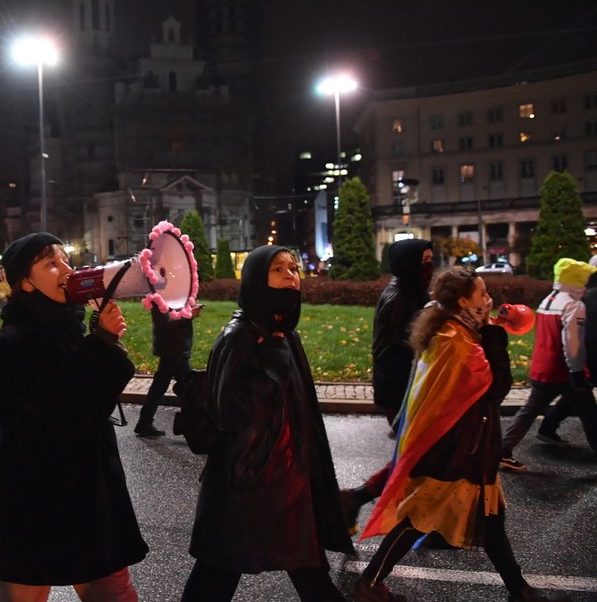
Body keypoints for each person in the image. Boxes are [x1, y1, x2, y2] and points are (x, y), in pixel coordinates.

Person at [354, 267, 568, 602]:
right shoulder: (454, 340)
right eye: (482, 293)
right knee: (417, 519)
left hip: (468, 447)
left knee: (491, 521)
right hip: (454, 451)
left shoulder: (457, 329)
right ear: (464, 301)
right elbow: (495, 388)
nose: (489, 299)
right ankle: (368, 583)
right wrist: (494, 337)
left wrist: (487, 330)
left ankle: (519, 589)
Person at [181, 245, 353, 602]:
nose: (291, 276)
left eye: (294, 269)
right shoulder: (239, 336)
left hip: (287, 481)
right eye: (279, 270)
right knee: (216, 575)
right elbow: (227, 411)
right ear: (258, 280)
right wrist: (272, 363)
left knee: (310, 574)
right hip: (248, 485)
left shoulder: (285, 335)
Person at [0, 233, 148, 602]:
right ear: (25, 283)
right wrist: (102, 344)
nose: (66, 270)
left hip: (85, 498)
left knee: (112, 592)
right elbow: (70, 414)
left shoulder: (66, 326)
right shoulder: (15, 342)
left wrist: (101, 341)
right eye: (50, 263)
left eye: (65, 259)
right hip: (37, 501)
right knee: (24, 590)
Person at [340, 239, 432, 531]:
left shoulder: (414, 292)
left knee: (419, 456)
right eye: (424, 261)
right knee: (417, 457)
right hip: (401, 392)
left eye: (431, 259)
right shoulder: (398, 299)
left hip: (412, 389)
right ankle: (363, 500)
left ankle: (417, 517)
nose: (429, 266)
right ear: (408, 264)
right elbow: (392, 349)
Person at [500, 258, 597, 471]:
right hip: (564, 372)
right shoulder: (573, 305)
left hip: (543, 368)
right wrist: (577, 373)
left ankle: (503, 449)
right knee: (590, 413)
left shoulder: (548, 301)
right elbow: (573, 344)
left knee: (528, 411)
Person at [135, 303, 202, 437]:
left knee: (159, 387)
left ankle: (144, 422)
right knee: (190, 390)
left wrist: (190, 308)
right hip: (173, 349)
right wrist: (188, 315)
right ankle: (193, 426)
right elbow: (165, 323)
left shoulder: (172, 295)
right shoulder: (160, 298)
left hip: (174, 348)